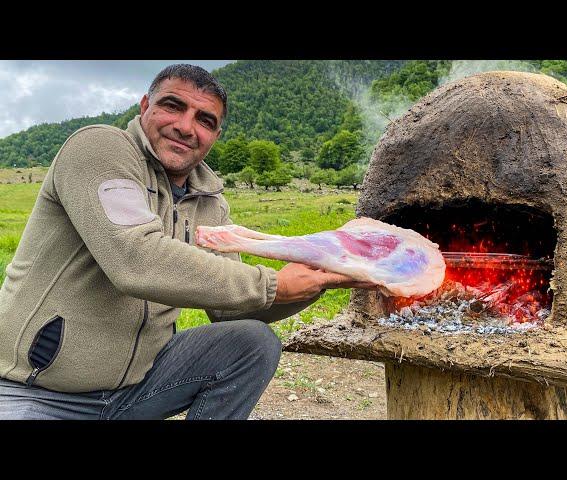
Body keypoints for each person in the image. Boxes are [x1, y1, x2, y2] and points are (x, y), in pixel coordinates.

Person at [0, 64, 374, 420]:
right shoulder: (101, 149)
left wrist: (318, 279)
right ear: (145, 106)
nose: (185, 126)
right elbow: (136, 258)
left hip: (134, 390)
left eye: (205, 120)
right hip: (35, 391)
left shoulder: (209, 202)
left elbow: (232, 310)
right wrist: (275, 283)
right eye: (172, 106)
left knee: (252, 342)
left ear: (215, 135)